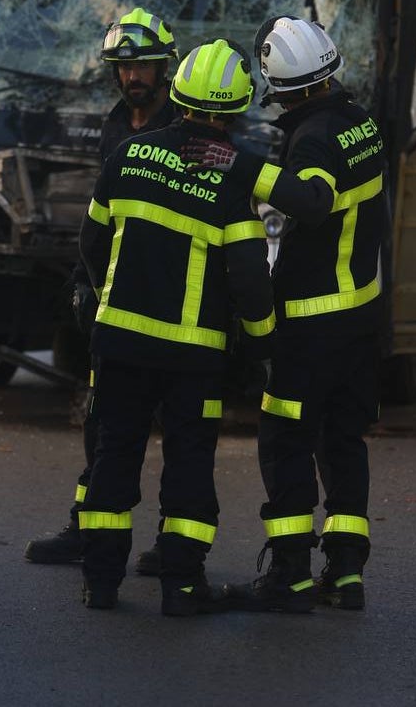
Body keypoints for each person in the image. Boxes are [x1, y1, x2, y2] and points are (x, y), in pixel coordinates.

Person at [182, 16, 387, 613]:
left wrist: (240, 164)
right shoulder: (361, 124)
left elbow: (314, 202)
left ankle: (290, 576)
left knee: (285, 441)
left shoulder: (317, 136)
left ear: (287, 89)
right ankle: (346, 574)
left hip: (311, 327)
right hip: (359, 318)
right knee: (343, 441)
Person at [75, 39, 276, 614]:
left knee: (113, 458)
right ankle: (183, 588)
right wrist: (261, 346)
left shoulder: (128, 157)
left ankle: (101, 582)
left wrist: (110, 301)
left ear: (179, 95)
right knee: (189, 468)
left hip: (117, 345)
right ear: (236, 112)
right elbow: (249, 281)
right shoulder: (231, 182)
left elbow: (92, 243)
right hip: (193, 359)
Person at [24, 8, 179, 566]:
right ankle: (87, 529)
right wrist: (82, 281)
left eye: (143, 66)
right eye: (123, 67)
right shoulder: (115, 126)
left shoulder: (187, 128)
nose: (133, 77)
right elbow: (101, 216)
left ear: (166, 67)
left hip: (174, 299)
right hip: (115, 298)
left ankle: (174, 547)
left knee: (183, 434)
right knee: (103, 422)